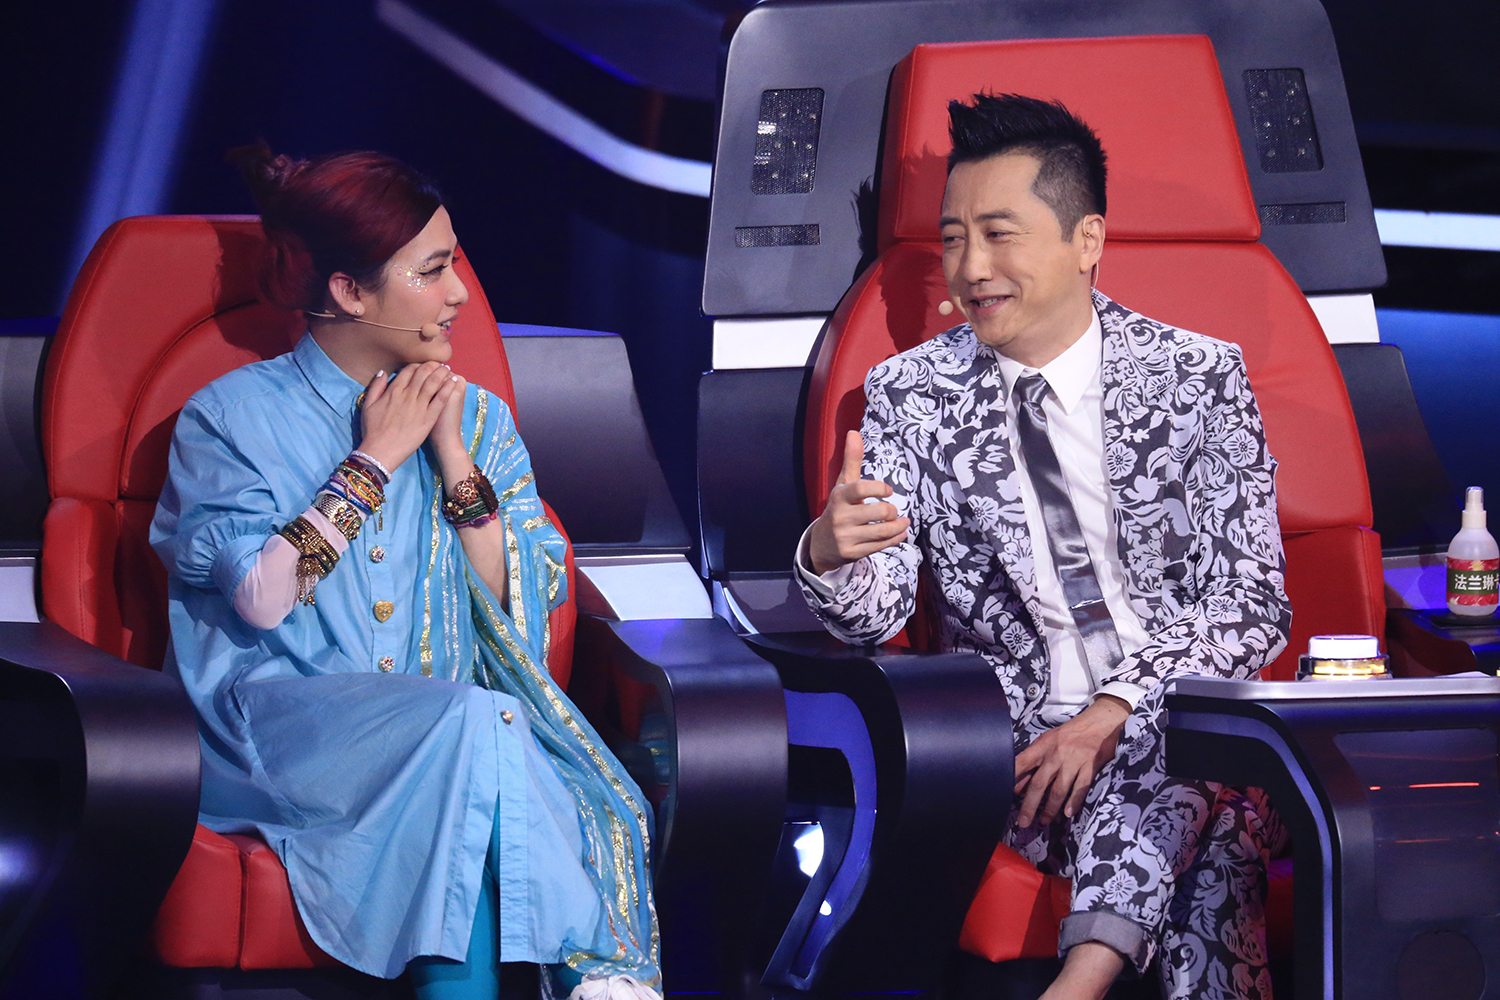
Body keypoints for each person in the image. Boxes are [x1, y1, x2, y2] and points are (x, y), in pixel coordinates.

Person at [795, 95, 1291, 1000]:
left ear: (1086, 239)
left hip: (1186, 719)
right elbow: (877, 613)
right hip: (1028, 759)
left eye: (999, 235)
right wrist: (832, 555)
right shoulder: (910, 395)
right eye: (953, 240)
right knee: (1216, 823)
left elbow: (1251, 601)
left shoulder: (1199, 377)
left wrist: (1115, 707)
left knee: (1172, 746)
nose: (970, 269)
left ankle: (1080, 982)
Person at [151, 146, 660, 1000]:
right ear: (350, 292)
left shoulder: (479, 418)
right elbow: (262, 598)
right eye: (432, 271)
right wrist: (375, 460)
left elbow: (516, 611)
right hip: (282, 736)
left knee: (475, 742)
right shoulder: (232, 417)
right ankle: (595, 968)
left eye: (454, 264)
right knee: (477, 729)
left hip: (450, 737)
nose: (459, 293)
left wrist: (451, 455)